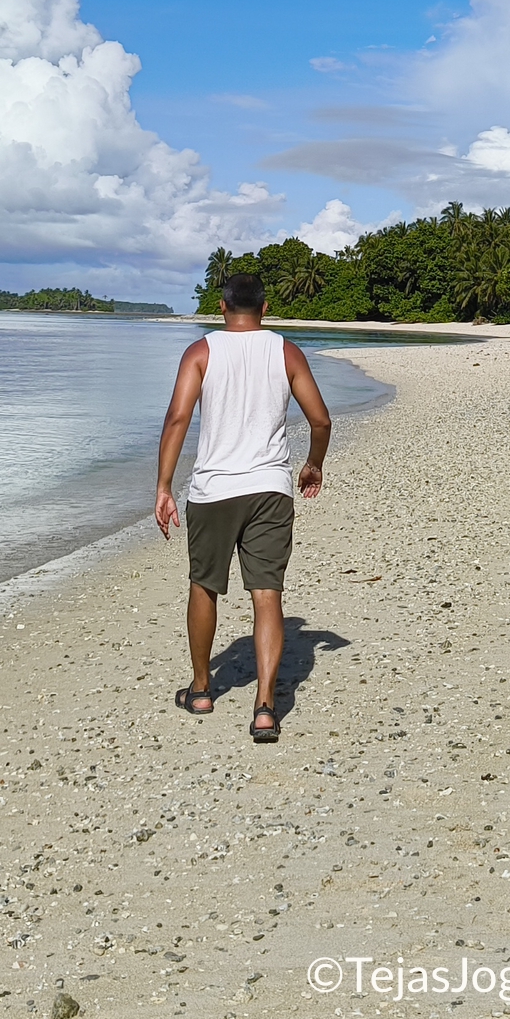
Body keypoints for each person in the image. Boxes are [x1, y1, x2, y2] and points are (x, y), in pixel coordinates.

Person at [153, 272, 333, 743]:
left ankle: (200, 690)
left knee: (204, 585)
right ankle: (265, 709)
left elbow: (177, 417)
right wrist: (313, 464)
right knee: (267, 593)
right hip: (271, 488)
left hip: (213, 490)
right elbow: (320, 419)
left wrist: (164, 486)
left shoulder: (201, 351)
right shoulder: (286, 351)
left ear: (221, 305)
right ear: (265, 308)